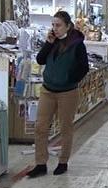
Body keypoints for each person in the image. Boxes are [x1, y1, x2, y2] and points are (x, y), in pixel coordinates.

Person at [27, 11, 89, 178]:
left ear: (68, 26)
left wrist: (69, 79)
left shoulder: (77, 45)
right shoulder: (52, 41)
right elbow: (40, 60)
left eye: (58, 25)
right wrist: (48, 43)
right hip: (48, 90)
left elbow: (84, 67)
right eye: (53, 25)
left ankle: (63, 161)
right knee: (40, 127)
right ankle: (41, 163)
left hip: (67, 92)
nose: (55, 28)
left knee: (65, 127)